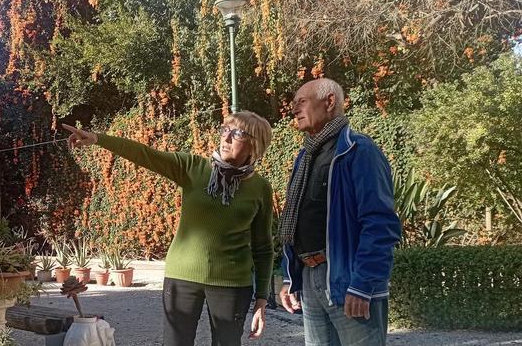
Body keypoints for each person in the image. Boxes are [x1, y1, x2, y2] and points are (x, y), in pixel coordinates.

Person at [62, 111, 274, 346]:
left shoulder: (260, 188)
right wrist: (98, 139)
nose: (226, 138)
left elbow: (263, 247)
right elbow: (145, 154)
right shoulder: (193, 167)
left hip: (232, 282)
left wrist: (262, 299)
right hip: (182, 276)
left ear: (254, 144)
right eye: (225, 130)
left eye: (237, 134)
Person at [278, 78, 401, 346]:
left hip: (347, 279)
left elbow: (380, 224)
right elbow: (297, 220)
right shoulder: (305, 157)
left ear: (329, 101)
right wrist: (290, 276)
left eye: (302, 102)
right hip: (310, 277)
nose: (294, 109)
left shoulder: (359, 150)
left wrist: (363, 283)